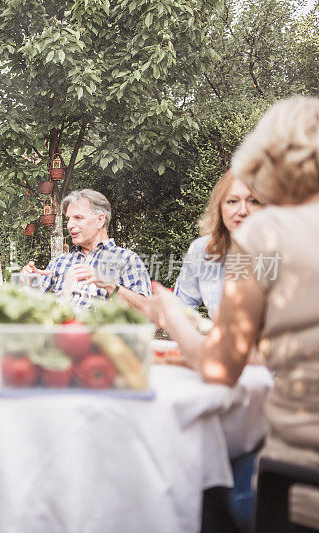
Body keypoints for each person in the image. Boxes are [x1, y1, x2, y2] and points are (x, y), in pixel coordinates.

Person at [145, 96, 319, 532]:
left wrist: (167, 310)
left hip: (297, 489)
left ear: (267, 157)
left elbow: (220, 368)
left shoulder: (262, 236)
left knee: (193, 481)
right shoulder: (215, 248)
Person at [23, 189, 151, 310]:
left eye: (78, 218)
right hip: (59, 330)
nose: (69, 225)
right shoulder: (59, 262)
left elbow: (147, 311)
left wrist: (109, 285)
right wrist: (27, 282)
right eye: (68, 219)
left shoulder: (127, 259)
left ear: (100, 221)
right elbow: (29, 304)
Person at [174, 171, 264, 318]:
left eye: (253, 201)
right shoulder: (201, 250)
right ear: (219, 207)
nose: (242, 211)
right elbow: (183, 307)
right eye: (232, 201)